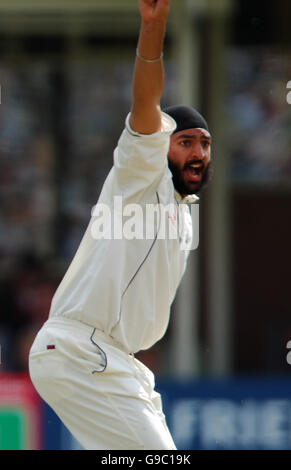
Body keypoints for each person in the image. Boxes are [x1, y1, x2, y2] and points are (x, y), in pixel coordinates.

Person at [29, 0, 212, 450]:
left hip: (114, 360)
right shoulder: (140, 172)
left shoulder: (183, 211)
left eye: (205, 144)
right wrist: (154, 29)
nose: (198, 153)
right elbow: (146, 102)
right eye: (185, 142)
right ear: (160, 147)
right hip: (81, 349)